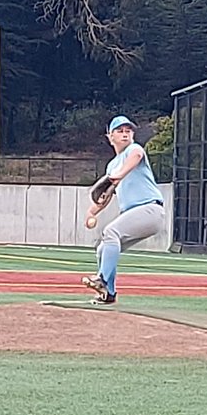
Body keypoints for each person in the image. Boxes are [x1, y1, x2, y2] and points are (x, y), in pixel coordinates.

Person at [81, 115, 165, 305]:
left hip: (150, 209)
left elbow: (136, 157)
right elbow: (107, 194)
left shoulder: (133, 150)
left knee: (110, 232)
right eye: (120, 131)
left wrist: (118, 175)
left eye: (128, 130)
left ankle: (101, 279)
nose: (125, 134)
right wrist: (92, 212)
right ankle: (108, 293)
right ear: (110, 137)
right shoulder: (112, 165)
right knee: (103, 249)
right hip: (136, 215)